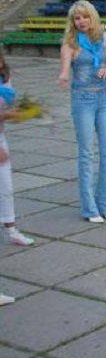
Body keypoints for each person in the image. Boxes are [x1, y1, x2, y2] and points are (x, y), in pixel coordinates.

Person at [58, 0, 106, 223]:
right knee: (86, 154)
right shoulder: (70, 43)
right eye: (77, 18)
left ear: (92, 17)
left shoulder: (102, 37)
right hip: (82, 99)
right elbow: (65, 70)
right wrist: (63, 76)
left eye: (85, 17)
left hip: (104, 98)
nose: (81, 21)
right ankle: (90, 208)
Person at [0, 52, 35, 247]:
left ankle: (12, 231)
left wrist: (24, 113)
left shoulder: (4, 79)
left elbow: (6, 111)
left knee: (6, 187)